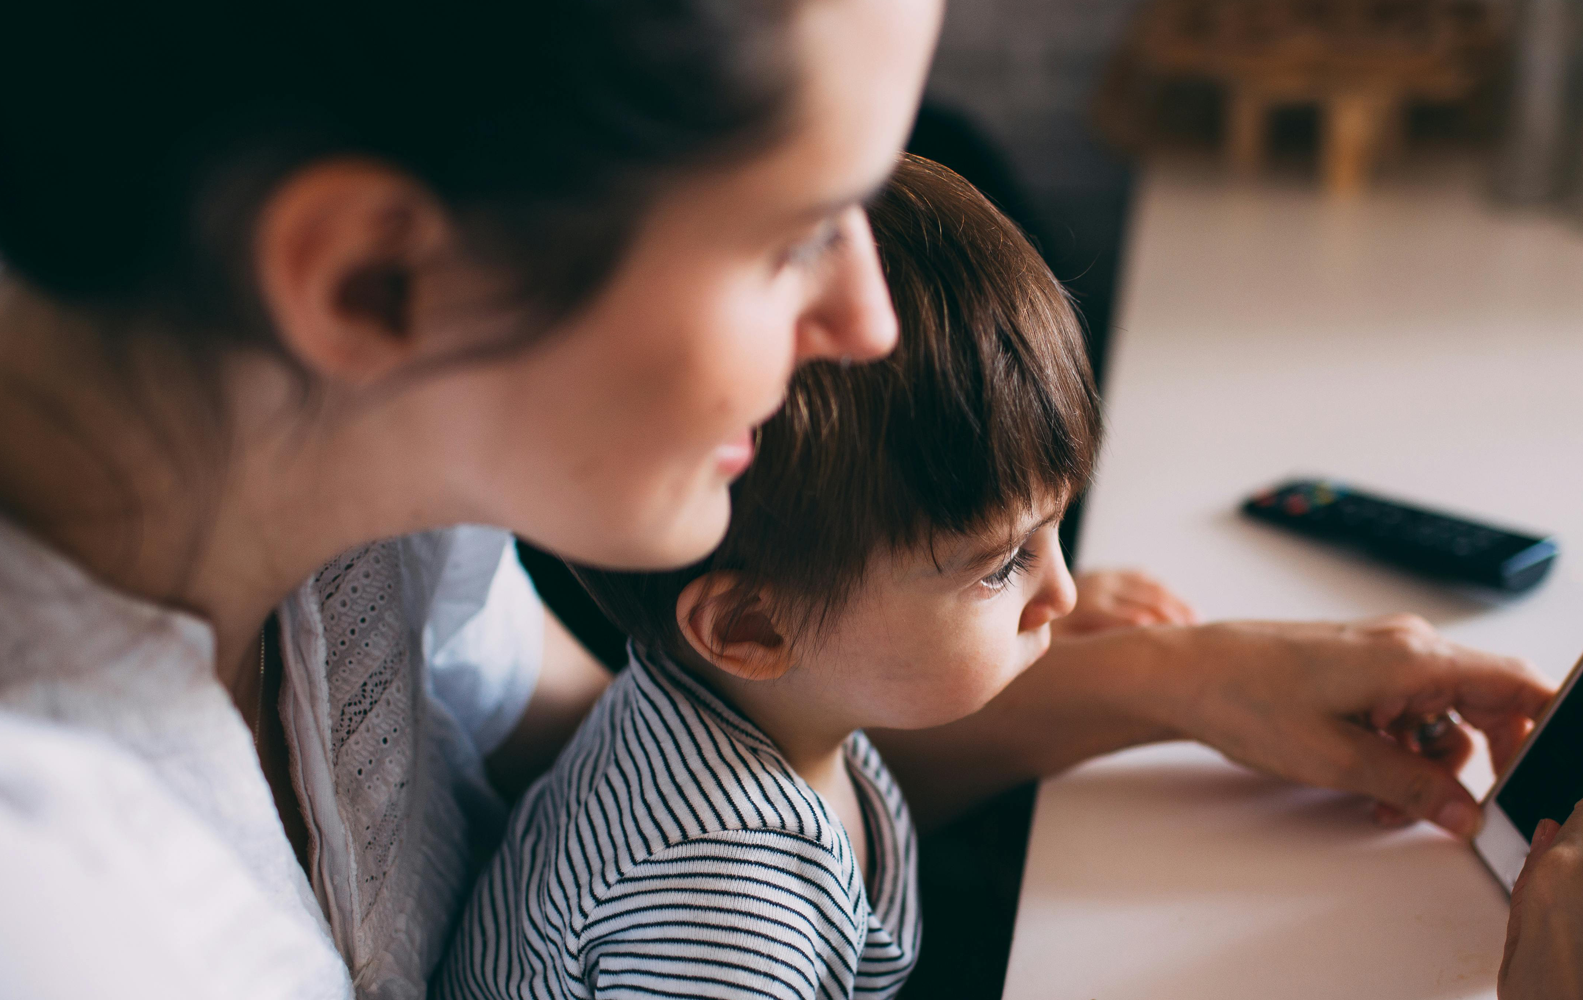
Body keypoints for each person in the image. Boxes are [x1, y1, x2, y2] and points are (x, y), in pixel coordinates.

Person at [0, 1, 1583, 998]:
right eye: (792, 235)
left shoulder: (316, 444)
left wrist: (1170, 686)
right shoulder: (20, 904)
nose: (862, 312)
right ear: (369, 279)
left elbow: (606, 765)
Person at [440, 153, 1097, 999]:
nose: (1063, 595)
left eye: (1053, 532)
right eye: (1004, 564)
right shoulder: (722, 902)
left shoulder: (754, 714)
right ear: (753, 627)